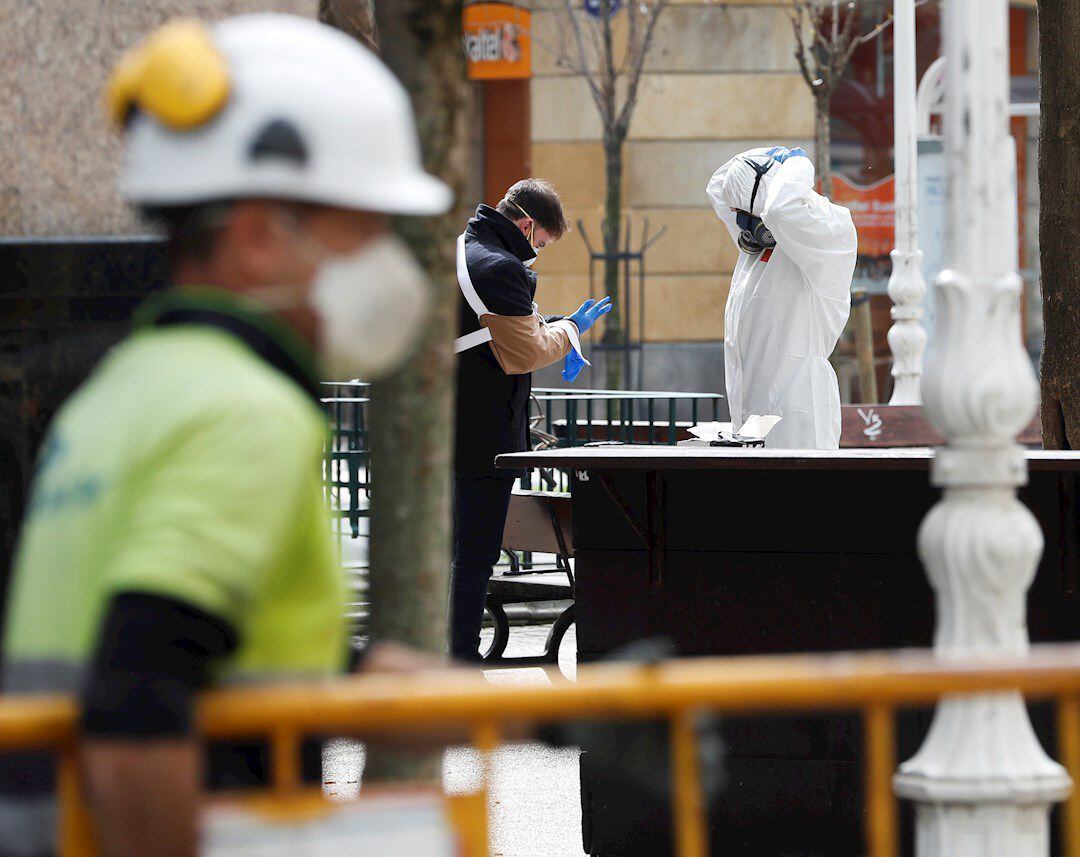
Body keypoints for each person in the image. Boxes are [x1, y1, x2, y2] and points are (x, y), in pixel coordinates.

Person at [0, 15, 450, 857]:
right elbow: (139, 690)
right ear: (256, 238)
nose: (389, 262)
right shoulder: (245, 412)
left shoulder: (123, 391)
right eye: (365, 227)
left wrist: (539, 715)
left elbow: (231, 657)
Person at [451, 180, 612, 661]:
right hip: (483, 432)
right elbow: (524, 352)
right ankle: (459, 655)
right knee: (476, 551)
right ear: (526, 225)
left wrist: (559, 327)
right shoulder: (499, 268)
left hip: (448, 421)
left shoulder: (461, 247)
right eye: (540, 243)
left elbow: (496, 332)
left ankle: (444, 648)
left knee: (451, 548)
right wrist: (570, 330)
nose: (536, 253)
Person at [706, 146, 857, 450]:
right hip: (753, 422)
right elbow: (716, 187)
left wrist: (796, 163)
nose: (742, 228)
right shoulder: (758, 249)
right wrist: (764, 161)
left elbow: (780, 208)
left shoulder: (828, 231)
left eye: (746, 216)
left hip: (799, 418)